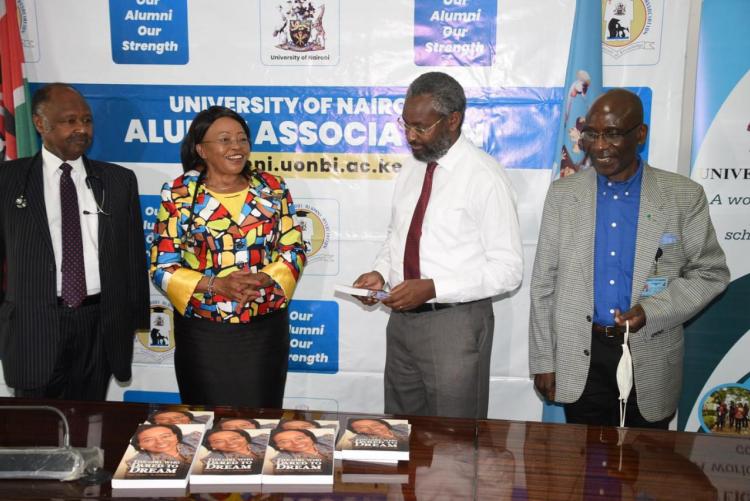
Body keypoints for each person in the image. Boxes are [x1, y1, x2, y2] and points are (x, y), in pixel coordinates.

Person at [529, 89, 730, 428]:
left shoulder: (683, 195)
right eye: (591, 133)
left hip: (650, 356)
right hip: (581, 357)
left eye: (612, 133)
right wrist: (544, 360)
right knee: (585, 471)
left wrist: (651, 311)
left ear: (640, 134)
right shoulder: (563, 195)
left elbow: (710, 273)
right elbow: (543, 284)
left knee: (646, 467)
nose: (599, 145)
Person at [353, 71, 523, 419]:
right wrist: (380, 273)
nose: (411, 137)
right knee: (399, 431)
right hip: (401, 321)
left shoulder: (484, 177)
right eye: (406, 126)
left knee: (453, 442)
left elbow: (508, 271)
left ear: (453, 121)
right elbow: (397, 235)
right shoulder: (413, 169)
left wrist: (433, 288)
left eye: (421, 127)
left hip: (455, 324)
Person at [0, 83, 149, 400]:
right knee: (35, 431)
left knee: (92, 422)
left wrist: (134, 319)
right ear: (41, 124)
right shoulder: (7, 180)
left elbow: (133, 256)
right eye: (70, 121)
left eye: (87, 120)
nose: (81, 129)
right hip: (33, 326)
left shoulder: (117, 181)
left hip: (100, 324)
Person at [150, 106, 306, 407]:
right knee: (209, 423)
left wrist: (264, 278)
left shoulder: (272, 188)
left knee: (261, 419)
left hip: (263, 329)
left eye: (241, 139)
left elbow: (294, 248)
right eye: (224, 139)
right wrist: (216, 285)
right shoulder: (179, 193)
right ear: (201, 150)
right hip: (205, 333)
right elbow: (162, 266)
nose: (236, 147)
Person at [128, 423, 197, 465]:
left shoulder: (194, 438)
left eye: (165, 436)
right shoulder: (138, 462)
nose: (160, 442)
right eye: (148, 440)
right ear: (139, 445)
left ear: (176, 436)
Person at [268, 428, 333, 472]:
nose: (296, 443)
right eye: (284, 442)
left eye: (299, 438)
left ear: (309, 438)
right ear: (279, 446)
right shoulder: (283, 459)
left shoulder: (327, 439)